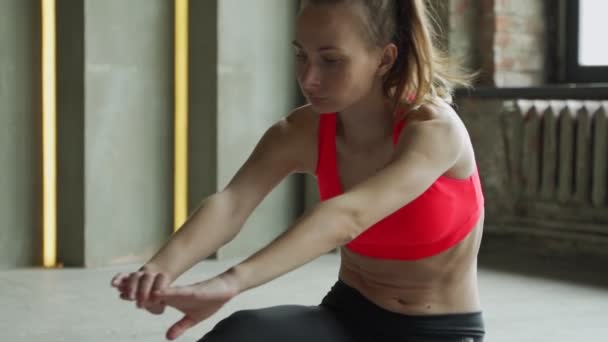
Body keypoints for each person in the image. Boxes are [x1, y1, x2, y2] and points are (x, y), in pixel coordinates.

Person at [111, 0, 485, 341]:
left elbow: (347, 216)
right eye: (300, 56)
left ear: (385, 58)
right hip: (347, 317)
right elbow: (232, 203)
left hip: (437, 331)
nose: (309, 78)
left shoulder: (434, 130)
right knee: (240, 335)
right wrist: (160, 269)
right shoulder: (301, 132)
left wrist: (230, 282)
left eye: (331, 60)